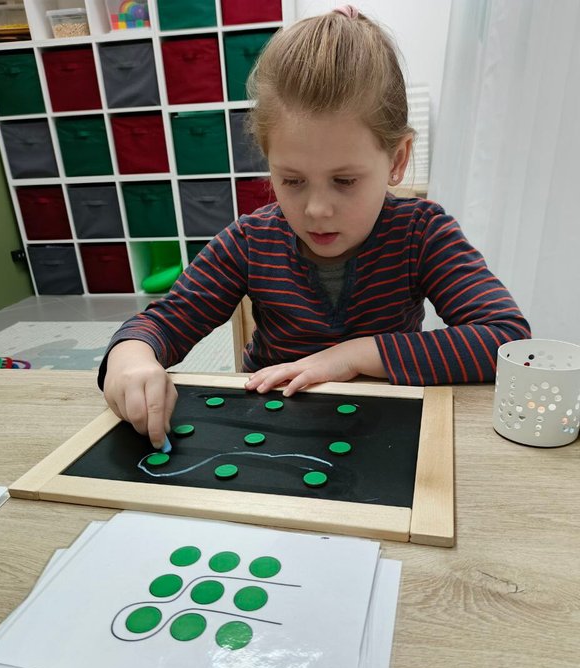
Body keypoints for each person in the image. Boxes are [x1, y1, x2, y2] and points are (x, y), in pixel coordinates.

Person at [99, 4, 531, 448]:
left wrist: (356, 355)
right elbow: (165, 322)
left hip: (382, 434)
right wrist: (131, 359)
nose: (317, 210)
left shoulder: (422, 233)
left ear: (397, 160)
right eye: (292, 181)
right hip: (271, 432)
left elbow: (507, 339)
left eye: (344, 181)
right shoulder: (249, 241)